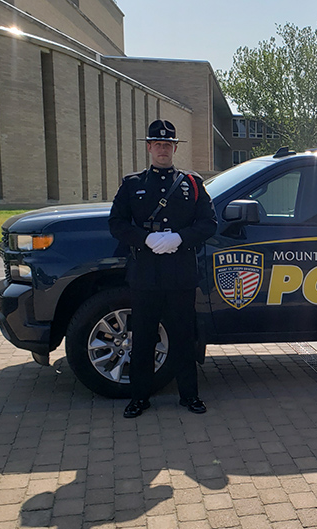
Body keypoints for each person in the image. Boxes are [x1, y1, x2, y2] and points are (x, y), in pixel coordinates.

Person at [108, 119, 216, 418]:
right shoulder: (133, 184)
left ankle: (189, 396)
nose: (163, 150)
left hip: (180, 274)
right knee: (142, 338)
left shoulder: (191, 183)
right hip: (145, 275)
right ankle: (139, 398)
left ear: (175, 148)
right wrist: (146, 238)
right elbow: (116, 223)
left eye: (168, 145)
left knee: (183, 337)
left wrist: (180, 237)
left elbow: (209, 223)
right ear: (149, 148)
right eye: (158, 144)